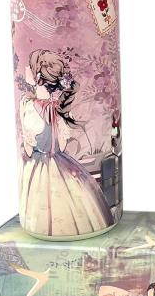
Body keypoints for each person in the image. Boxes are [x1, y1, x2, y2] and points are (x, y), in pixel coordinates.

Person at [18, 49, 113, 237]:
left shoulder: (29, 108)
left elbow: (29, 148)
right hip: (61, 162)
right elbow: (61, 146)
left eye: (30, 65)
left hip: (38, 164)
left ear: (38, 77)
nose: (26, 68)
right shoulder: (57, 110)